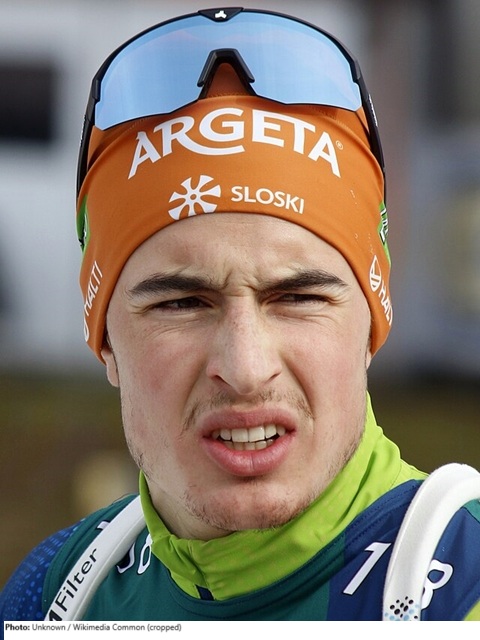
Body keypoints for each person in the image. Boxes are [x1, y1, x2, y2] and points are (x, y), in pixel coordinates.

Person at [2, 6, 480, 622]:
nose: (246, 369)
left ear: (371, 325)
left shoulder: (463, 588)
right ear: (106, 340)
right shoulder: (57, 597)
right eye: (182, 303)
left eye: (298, 298)